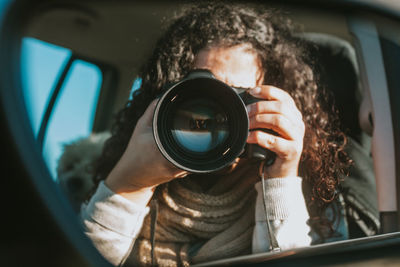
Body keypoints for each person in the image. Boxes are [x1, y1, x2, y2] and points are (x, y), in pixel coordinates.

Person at [80, 2, 352, 266]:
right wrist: (130, 182)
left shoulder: (317, 207)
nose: (214, 118)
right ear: (162, 103)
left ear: (272, 105)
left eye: (239, 99)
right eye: (200, 95)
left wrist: (281, 176)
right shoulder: (132, 173)